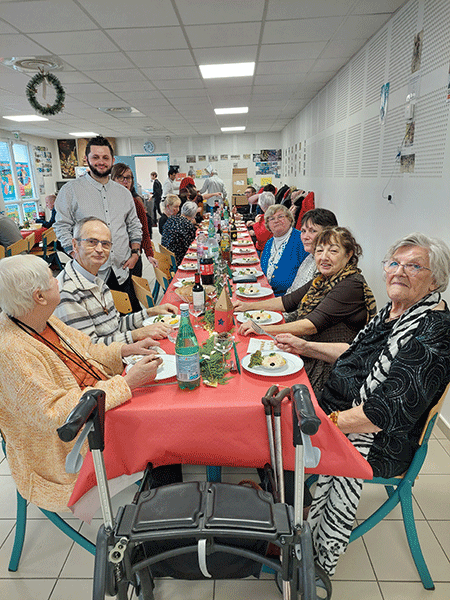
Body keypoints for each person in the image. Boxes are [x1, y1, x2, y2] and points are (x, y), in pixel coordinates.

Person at [275, 232, 450, 577]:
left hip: (377, 442)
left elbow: (380, 415)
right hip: (338, 411)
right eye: (394, 263)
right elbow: (355, 353)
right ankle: (282, 503)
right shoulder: (396, 312)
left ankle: (286, 521)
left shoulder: (435, 331)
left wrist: (318, 424)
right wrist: (304, 347)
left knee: (274, 435)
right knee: (270, 411)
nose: (400, 271)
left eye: (415, 266)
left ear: (435, 280)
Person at [0, 254, 163, 512]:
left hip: (99, 400)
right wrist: (126, 384)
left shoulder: (39, 318)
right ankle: (159, 517)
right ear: (38, 297)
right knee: (160, 435)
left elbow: (86, 349)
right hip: (70, 445)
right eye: (52, 278)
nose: (58, 279)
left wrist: (127, 350)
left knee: (163, 405)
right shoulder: (11, 351)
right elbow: (54, 414)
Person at [235, 226, 377, 392]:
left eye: (333, 251)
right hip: (309, 349)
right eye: (319, 251)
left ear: (348, 255)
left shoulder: (351, 284)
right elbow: (287, 302)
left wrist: (261, 329)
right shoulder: (323, 280)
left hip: (330, 366)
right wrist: (246, 306)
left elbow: (310, 324)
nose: (324, 257)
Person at [53, 135, 143, 313]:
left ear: (112, 160)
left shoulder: (123, 193)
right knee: (97, 324)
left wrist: (135, 253)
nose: (100, 162)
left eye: (105, 158)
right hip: (89, 273)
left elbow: (134, 225)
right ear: (86, 159)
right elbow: (61, 226)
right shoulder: (70, 191)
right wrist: (75, 254)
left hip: (121, 268)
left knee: (130, 318)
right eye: (95, 157)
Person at [54, 217, 177, 344]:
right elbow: (89, 348)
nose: (100, 249)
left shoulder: (95, 280)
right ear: (75, 245)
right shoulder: (67, 291)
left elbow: (116, 325)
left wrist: (151, 312)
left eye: (105, 244)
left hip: (117, 352)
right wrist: (138, 334)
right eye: (92, 242)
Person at [284, 208, 338, 321]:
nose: (305, 236)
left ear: (329, 233)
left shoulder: (327, 267)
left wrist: (279, 320)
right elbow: (292, 292)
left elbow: (305, 311)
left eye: (312, 231)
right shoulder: (309, 257)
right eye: (303, 231)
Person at [111, 163, 157, 275]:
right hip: (110, 260)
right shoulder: (107, 203)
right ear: (112, 179)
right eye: (120, 177)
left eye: (128, 178)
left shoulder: (136, 203)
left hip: (132, 257)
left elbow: (144, 231)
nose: (125, 181)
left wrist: (149, 254)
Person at [259, 204, 308, 296]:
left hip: (289, 298)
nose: (276, 221)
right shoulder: (269, 243)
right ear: (268, 225)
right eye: (272, 219)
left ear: (290, 219)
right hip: (266, 293)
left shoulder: (301, 240)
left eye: (280, 216)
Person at [161, 201, 198, 266]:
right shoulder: (188, 225)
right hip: (177, 258)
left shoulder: (171, 218)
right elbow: (190, 246)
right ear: (194, 214)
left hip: (166, 255)